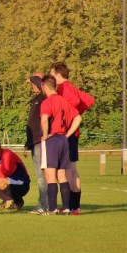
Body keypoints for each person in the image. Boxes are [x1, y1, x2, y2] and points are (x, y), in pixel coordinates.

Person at [49, 61, 94, 215]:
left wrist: (69, 115)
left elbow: (75, 101)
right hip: (72, 134)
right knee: (71, 169)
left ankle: (71, 206)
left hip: (66, 134)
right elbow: (88, 100)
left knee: (67, 171)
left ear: (57, 74)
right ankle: (74, 206)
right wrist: (76, 113)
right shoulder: (71, 87)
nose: (50, 77)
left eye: (51, 74)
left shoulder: (63, 88)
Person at [39, 75, 82, 215]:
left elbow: (44, 119)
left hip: (52, 141)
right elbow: (78, 118)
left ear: (44, 86)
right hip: (63, 140)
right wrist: (68, 134)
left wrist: (45, 135)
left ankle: (52, 208)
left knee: (50, 175)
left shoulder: (47, 102)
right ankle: (66, 207)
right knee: (62, 175)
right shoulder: (64, 101)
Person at [24, 74, 48, 214]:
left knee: (41, 175)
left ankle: (44, 205)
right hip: (34, 141)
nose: (32, 86)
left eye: (32, 83)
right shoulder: (37, 99)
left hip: (40, 141)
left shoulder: (44, 98)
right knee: (41, 175)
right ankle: (46, 204)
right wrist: (28, 141)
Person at [0, 138, 30, 210]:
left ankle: (15, 201)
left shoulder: (7, 153)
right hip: (9, 182)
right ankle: (10, 200)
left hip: (22, 183)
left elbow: (5, 172)